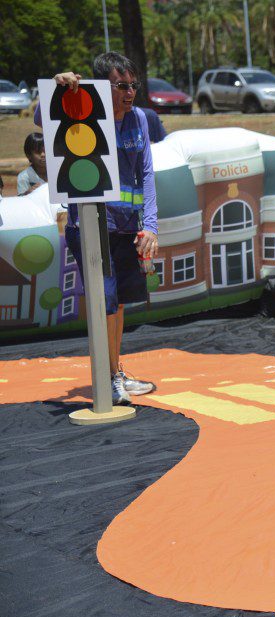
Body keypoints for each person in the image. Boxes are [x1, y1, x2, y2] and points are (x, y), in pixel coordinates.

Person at [37, 52, 158, 405]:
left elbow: (147, 174)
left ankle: (115, 372)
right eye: (121, 85)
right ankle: (106, 379)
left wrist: (150, 225)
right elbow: (42, 118)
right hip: (89, 226)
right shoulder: (85, 111)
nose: (130, 92)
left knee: (118, 304)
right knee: (104, 303)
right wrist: (61, 90)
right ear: (102, 86)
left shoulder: (139, 119)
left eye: (133, 85)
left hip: (125, 228)